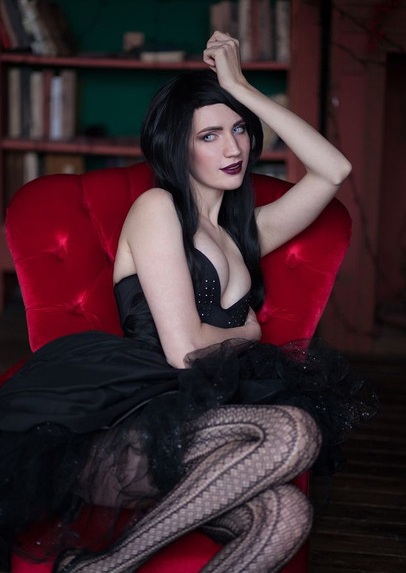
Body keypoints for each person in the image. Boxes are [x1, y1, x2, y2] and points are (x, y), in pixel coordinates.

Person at [0, 32, 378, 573]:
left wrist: (241, 88)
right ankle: (103, 566)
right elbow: (184, 352)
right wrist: (248, 332)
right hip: (127, 430)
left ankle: (95, 569)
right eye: (210, 135)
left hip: (202, 435)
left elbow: (333, 170)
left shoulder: (246, 233)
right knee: (295, 430)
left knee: (288, 516)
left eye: (240, 129)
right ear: (176, 146)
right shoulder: (157, 208)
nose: (234, 149)